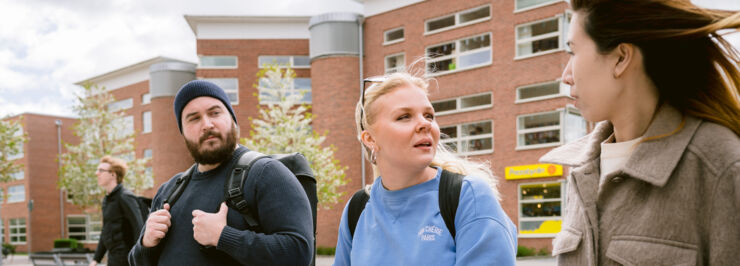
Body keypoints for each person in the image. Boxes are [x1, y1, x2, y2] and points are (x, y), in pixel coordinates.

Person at [540, 0, 740, 265]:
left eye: (573, 52)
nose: (566, 75)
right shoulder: (581, 170)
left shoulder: (721, 167)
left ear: (621, 58)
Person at [333, 72, 517, 265]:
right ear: (370, 139)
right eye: (404, 117)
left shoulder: (469, 197)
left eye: (429, 115)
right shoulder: (357, 208)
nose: (425, 124)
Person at [128, 80, 314, 265]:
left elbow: (299, 252)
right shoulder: (168, 191)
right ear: (183, 133)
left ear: (233, 120)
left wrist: (223, 237)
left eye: (215, 113)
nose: (207, 124)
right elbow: (137, 262)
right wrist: (146, 243)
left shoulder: (266, 173)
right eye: (194, 118)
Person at [91, 156, 143, 266]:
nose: (97, 173)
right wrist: (96, 259)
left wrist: (138, 260)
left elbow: (139, 228)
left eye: (101, 170)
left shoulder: (125, 197)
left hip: (127, 260)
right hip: (113, 258)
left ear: (113, 174)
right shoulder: (107, 200)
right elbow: (106, 231)